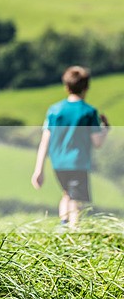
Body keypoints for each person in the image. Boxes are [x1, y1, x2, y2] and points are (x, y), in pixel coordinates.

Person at [31, 65, 110, 227]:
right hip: (78, 162)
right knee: (77, 201)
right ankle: (73, 234)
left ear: (66, 86)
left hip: (58, 163)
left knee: (67, 195)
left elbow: (45, 140)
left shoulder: (54, 110)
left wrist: (38, 169)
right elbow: (98, 142)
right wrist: (105, 129)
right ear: (87, 87)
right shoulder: (88, 112)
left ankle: (63, 226)